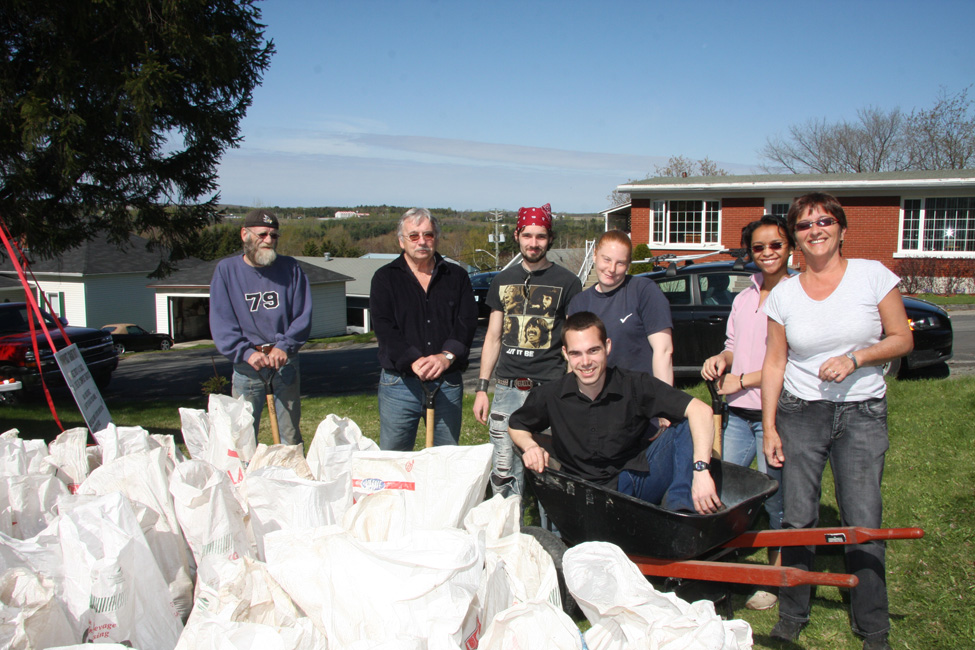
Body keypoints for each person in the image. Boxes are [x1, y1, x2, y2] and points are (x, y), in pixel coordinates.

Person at [761, 193, 913, 650]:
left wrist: (857, 357)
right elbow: (774, 364)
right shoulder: (783, 294)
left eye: (824, 221)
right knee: (798, 517)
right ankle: (792, 613)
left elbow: (902, 338)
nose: (816, 230)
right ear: (796, 239)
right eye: (805, 225)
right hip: (799, 413)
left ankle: (872, 626)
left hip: (862, 413)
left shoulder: (873, 277)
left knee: (863, 517)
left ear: (842, 229)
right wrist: (769, 427)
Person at [508, 311, 722, 514]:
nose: (585, 362)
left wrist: (701, 471)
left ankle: (680, 512)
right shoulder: (551, 394)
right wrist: (530, 446)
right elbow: (517, 424)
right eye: (576, 353)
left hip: (633, 482)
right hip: (579, 492)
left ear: (607, 347)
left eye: (593, 350)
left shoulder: (634, 385)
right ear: (565, 353)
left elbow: (701, 410)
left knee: (685, 425)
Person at [701, 214, 794, 611]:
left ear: (789, 246)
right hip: (737, 415)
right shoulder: (743, 296)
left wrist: (744, 380)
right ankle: (722, 567)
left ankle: (773, 581)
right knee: (725, 493)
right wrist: (720, 360)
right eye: (759, 247)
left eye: (776, 245)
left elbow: (792, 362)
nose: (768, 253)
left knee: (776, 500)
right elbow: (733, 345)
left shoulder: (799, 293)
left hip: (778, 414)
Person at [473, 203, 582, 497]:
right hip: (508, 390)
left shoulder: (569, 283)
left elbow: (574, 342)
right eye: (528, 235)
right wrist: (483, 388)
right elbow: (493, 337)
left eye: (541, 236)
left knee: (552, 471)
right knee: (505, 473)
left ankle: (554, 535)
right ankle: (506, 534)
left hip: (549, 388)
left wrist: (572, 388)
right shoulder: (501, 281)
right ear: (517, 235)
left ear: (550, 238)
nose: (534, 243)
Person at [370, 208, 479, 450]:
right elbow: (384, 327)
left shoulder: (457, 277)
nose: (422, 241)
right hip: (400, 385)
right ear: (401, 240)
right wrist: (412, 360)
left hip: (446, 383)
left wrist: (446, 356)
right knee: (394, 458)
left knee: (445, 456)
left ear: (436, 238)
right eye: (414, 235)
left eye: (428, 235)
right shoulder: (384, 278)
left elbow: (467, 322)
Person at [209, 208, 312, 447]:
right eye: (262, 234)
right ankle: (246, 483)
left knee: (290, 436)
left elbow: (302, 315)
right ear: (244, 234)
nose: (269, 240)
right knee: (242, 438)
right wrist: (245, 352)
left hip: (284, 364)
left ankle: (291, 479)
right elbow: (221, 321)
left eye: (274, 235)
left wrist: (284, 346)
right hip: (247, 369)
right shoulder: (227, 271)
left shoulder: (290, 268)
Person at [568, 229, 674, 383]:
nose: (612, 269)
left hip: (639, 394)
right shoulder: (579, 302)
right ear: (595, 255)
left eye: (620, 263)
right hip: (595, 397)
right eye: (607, 260)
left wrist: (663, 401)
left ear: (628, 264)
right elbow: (574, 359)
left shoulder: (644, 291)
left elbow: (663, 351)